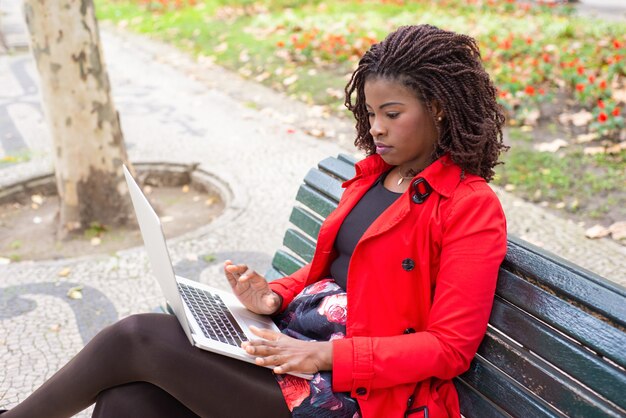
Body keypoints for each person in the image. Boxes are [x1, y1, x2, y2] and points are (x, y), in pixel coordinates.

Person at [2, 24, 507, 418]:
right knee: (128, 403)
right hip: (292, 348)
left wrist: (323, 358)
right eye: (370, 112)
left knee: (136, 337)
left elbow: (449, 349)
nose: (375, 128)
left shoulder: (468, 206)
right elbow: (332, 275)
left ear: (439, 108)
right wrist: (273, 296)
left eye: (392, 113)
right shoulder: (376, 178)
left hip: (360, 394)